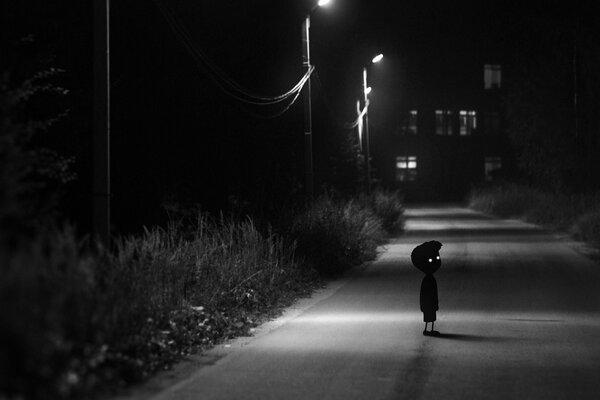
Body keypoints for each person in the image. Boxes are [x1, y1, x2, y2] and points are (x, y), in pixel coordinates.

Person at [411, 240, 443, 336]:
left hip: (428, 305)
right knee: (430, 313)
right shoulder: (430, 280)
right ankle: (430, 329)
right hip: (430, 304)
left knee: (429, 314)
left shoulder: (427, 279)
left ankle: (427, 329)